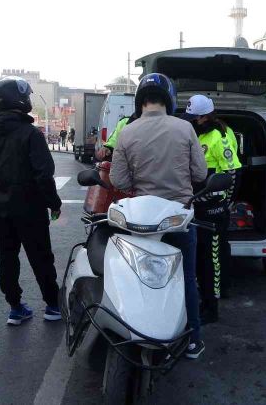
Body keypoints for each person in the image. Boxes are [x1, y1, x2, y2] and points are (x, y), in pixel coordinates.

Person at [109, 73, 208, 359]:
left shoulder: (126, 131)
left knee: (138, 279)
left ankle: (138, 330)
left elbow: (119, 180)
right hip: (179, 219)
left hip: (141, 223)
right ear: (170, 100)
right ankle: (192, 340)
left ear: (141, 101)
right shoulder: (185, 129)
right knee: (186, 278)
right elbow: (201, 174)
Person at [0, 77, 63, 325]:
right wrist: (54, 203)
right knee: (41, 257)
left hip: (2, 211)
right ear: (19, 100)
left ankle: (15, 308)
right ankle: (52, 306)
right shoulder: (31, 135)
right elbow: (43, 174)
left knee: (7, 258)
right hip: (31, 210)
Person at [181, 95, 242, 324]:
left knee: (211, 260)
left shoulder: (220, 136)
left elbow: (233, 172)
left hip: (213, 208)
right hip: (196, 204)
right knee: (198, 258)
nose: (191, 122)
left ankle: (212, 307)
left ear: (205, 116)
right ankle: (204, 298)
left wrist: (225, 203)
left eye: (194, 118)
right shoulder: (198, 133)